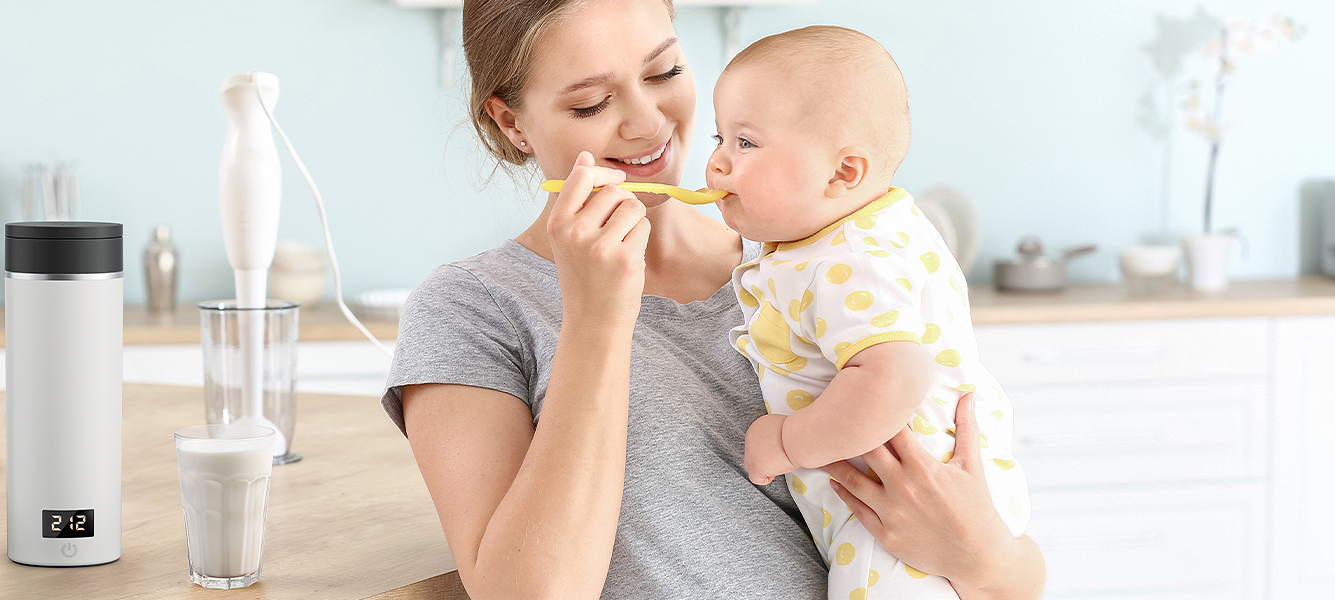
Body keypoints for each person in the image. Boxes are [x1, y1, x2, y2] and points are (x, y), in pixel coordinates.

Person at [380, 1, 1046, 598]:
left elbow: (1014, 573)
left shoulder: (821, 266)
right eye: (590, 104)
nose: (647, 123)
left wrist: (982, 556)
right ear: (511, 121)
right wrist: (596, 317)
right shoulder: (473, 309)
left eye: (664, 71)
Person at [707, 26, 1031, 599]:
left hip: (904, 505)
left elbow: (896, 377)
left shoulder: (851, 260)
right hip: (932, 501)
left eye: (746, 143)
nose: (717, 164)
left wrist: (786, 441)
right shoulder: (862, 228)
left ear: (843, 174)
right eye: (720, 139)